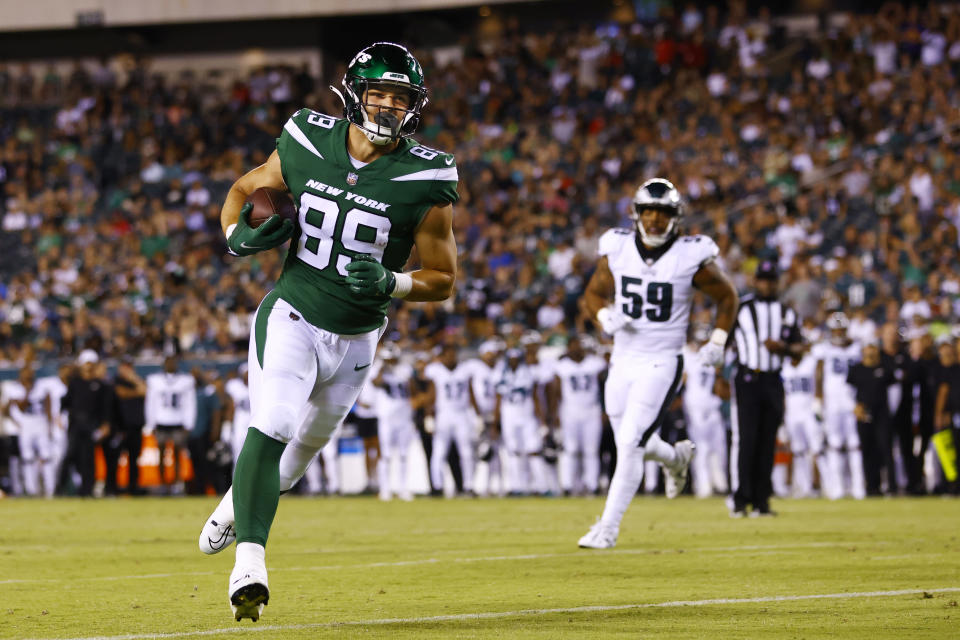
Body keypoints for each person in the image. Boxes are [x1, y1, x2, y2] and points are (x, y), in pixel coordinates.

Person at [197, 41, 458, 622]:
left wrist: (393, 282)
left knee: (298, 458)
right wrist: (238, 237)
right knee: (274, 424)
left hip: (360, 338)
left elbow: (442, 279)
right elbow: (245, 192)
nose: (389, 107)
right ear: (353, 96)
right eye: (379, 95)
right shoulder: (306, 137)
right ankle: (250, 565)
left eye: (400, 98)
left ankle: (232, 506)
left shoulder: (428, 173)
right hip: (294, 311)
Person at [578, 178, 738, 548]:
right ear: (636, 213)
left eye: (662, 212)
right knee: (629, 441)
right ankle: (675, 457)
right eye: (648, 211)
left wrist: (718, 339)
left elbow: (728, 296)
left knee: (632, 440)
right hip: (622, 359)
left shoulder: (689, 255)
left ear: (675, 217)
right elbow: (594, 292)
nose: (654, 219)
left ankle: (607, 528)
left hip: (662, 360)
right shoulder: (617, 248)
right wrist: (603, 316)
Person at [728, 260, 803, 517]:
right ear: (755, 281)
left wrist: (782, 348)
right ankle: (741, 499)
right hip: (748, 378)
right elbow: (723, 341)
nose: (767, 284)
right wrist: (718, 375)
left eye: (771, 280)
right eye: (763, 279)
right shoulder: (741, 308)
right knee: (747, 439)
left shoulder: (787, 313)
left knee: (767, 441)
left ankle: (762, 501)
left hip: (773, 380)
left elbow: (799, 351)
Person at [813, 312, 864, 500]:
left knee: (854, 443)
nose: (839, 333)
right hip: (832, 400)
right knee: (834, 444)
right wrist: (818, 397)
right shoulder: (824, 348)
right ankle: (837, 488)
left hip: (852, 399)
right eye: (836, 329)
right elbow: (818, 373)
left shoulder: (856, 348)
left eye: (841, 329)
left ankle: (858, 488)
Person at [549, 336, 607, 495]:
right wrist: (555, 414)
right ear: (568, 347)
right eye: (573, 345)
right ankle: (568, 485)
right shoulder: (562, 366)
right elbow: (556, 392)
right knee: (570, 449)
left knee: (591, 450)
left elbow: (605, 382)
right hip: (569, 411)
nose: (576, 348)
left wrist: (604, 409)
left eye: (578, 345)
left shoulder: (595, 363)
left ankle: (592, 485)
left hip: (591, 410)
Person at [424, 344, 477, 496]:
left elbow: (471, 394)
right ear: (442, 356)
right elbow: (431, 396)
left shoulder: (465, 370)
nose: (451, 357)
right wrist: (429, 416)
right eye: (448, 354)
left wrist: (477, 415)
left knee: (466, 452)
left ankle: (468, 486)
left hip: (462, 414)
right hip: (443, 414)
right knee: (439, 452)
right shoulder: (436, 371)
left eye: (453, 354)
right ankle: (437, 486)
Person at [681, 330, 729, 498]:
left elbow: (720, 384)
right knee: (701, 448)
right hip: (696, 407)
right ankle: (703, 485)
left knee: (719, 447)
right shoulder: (687, 355)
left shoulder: (713, 356)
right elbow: (682, 379)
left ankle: (720, 483)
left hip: (712, 405)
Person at [60, 350, 112, 497]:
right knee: (70, 456)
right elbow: (66, 402)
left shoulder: (100, 384)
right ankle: (60, 488)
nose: (88, 367)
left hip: (91, 424)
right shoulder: (75, 382)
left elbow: (104, 407)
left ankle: (87, 490)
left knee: (88, 459)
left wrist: (105, 424)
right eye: (86, 364)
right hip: (75, 424)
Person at [847, 342, 895, 496]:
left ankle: (891, 486)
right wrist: (854, 407)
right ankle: (871, 486)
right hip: (864, 415)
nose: (870, 354)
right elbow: (848, 390)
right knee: (867, 450)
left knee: (885, 449)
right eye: (867, 351)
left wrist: (891, 411)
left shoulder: (885, 369)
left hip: (882, 414)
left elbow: (894, 390)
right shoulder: (856, 370)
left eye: (873, 350)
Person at [370, 343, 417, 501]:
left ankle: (403, 488)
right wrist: (383, 365)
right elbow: (375, 382)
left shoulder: (405, 369)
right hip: (387, 418)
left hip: (404, 416)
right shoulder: (378, 369)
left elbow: (412, 389)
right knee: (386, 454)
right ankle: (385, 489)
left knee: (404, 454)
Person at [144, 355, 196, 494]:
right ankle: (162, 483)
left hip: (177, 420)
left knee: (178, 453)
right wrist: (151, 423)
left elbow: (189, 402)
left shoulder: (186, 381)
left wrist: (188, 423)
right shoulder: (155, 380)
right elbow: (151, 402)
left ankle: (177, 484)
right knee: (161, 454)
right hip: (161, 421)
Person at [781, 346, 828, 498]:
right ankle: (804, 487)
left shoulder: (810, 362)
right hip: (792, 413)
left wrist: (818, 400)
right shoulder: (784, 366)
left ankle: (829, 485)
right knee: (798, 450)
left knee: (817, 449)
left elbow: (820, 364)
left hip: (809, 411)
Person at [6, 368, 55, 497]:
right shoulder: (15, 388)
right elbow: (20, 408)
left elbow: (48, 405)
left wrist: (50, 425)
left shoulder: (41, 386)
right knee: (28, 458)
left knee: (46, 456)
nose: (28, 375)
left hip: (40, 422)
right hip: (26, 424)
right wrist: (27, 392)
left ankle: (50, 489)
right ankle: (31, 490)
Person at [109, 360, 147, 495]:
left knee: (134, 459)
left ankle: (133, 487)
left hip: (136, 426)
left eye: (129, 367)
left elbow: (146, 391)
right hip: (119, 426)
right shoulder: (115, 380)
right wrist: (136, 392)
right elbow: (120, 393)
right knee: (114, 458)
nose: (127, 370)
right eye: (125, 367)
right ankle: (112, 488)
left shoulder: (136, 380)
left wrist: (135, 379)